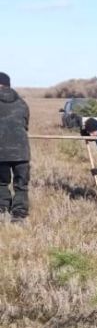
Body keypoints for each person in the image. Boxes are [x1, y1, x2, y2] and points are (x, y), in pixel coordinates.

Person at [0, 72, 31, 224]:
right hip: (22, 151)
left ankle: (2, 209)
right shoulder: (22, 103)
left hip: (1, 152)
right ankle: (19, 215)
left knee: (1, 183)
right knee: (21, 185)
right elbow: (25, 125)